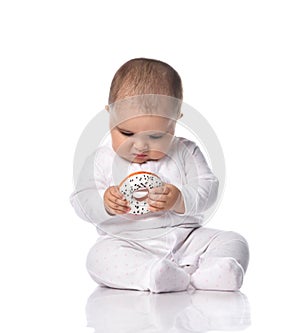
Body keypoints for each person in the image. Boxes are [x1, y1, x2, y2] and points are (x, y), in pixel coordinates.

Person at [70, 58, 249, 293]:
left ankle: (216, 273)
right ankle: (153, 274)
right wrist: (104, 202)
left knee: (233, 240)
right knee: (98, 257)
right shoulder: (100, 160)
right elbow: (81, 199)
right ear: (109, 115)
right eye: (126, 132)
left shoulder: (186, 152)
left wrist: (180, 198)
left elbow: (209, 188)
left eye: (156, 136)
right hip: (127, 241)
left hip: (186, 239)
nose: (140, 146)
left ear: (174, 123)